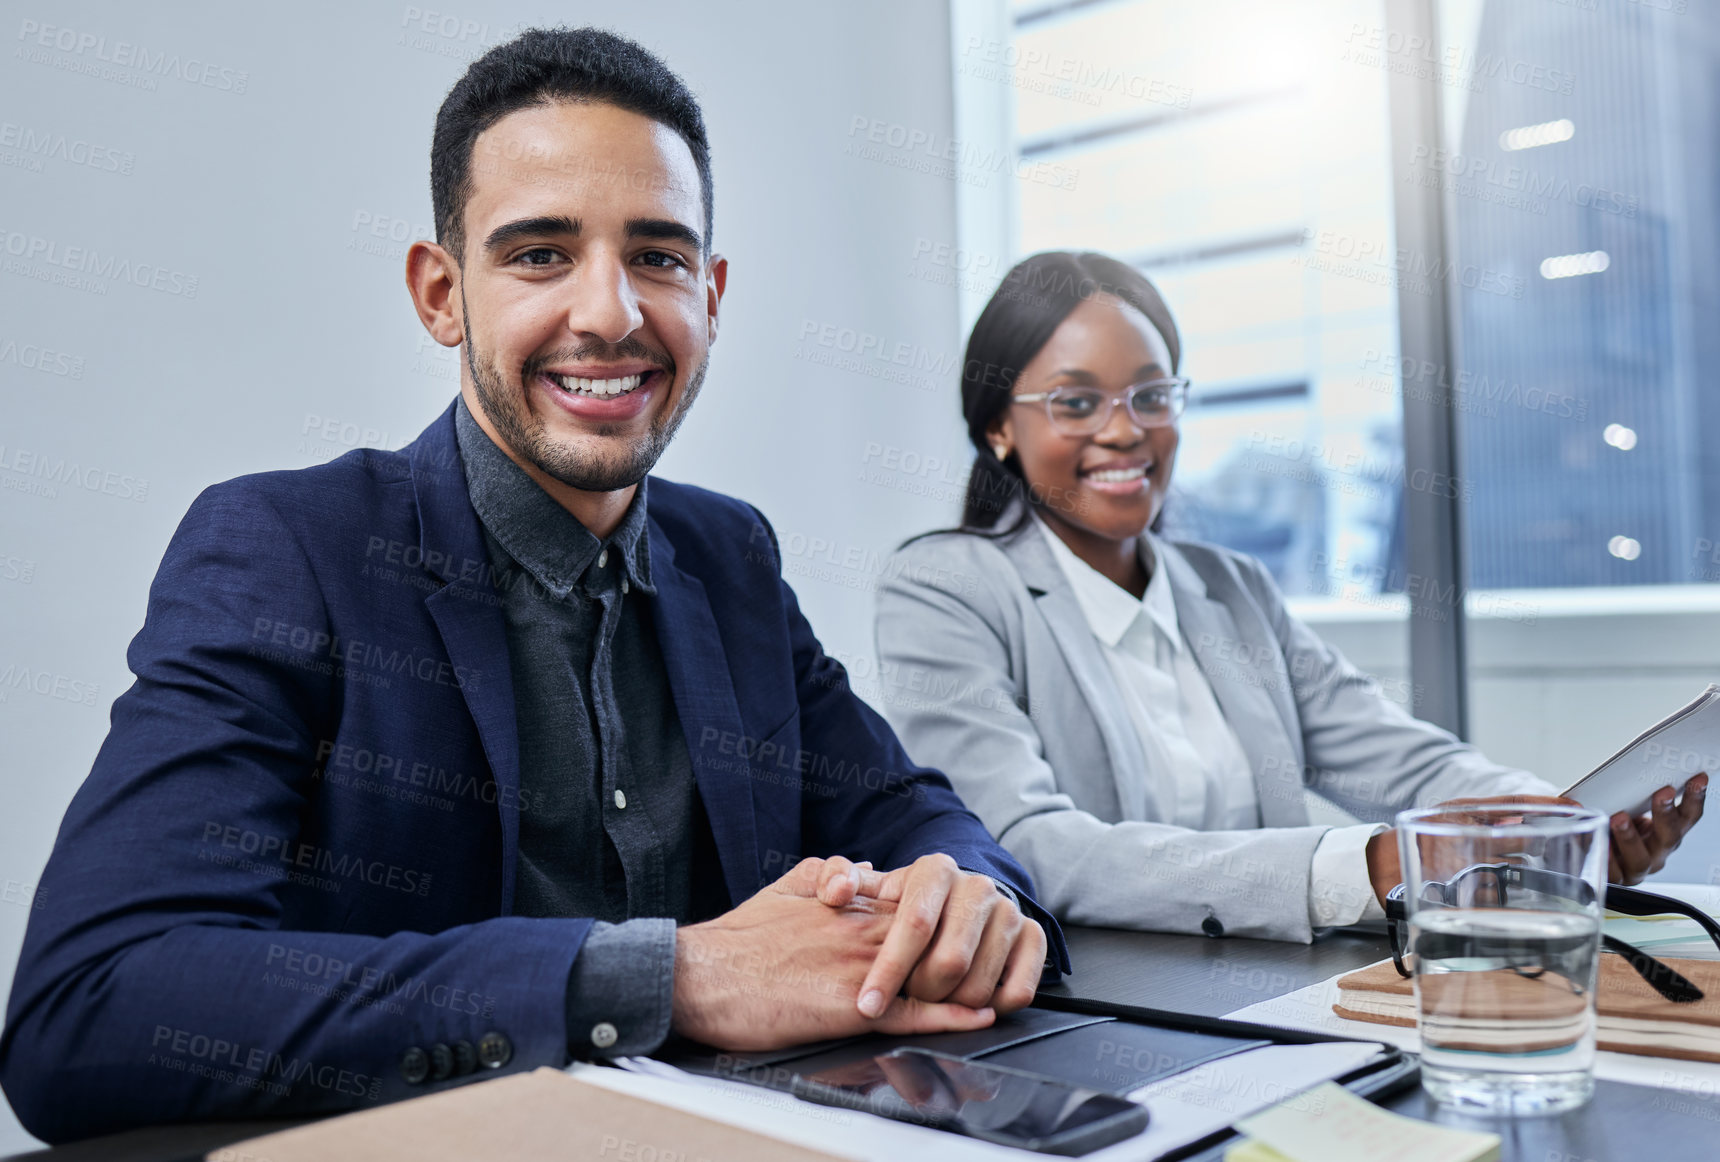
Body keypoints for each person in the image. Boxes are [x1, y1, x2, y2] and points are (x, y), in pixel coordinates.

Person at [0, 29, 1062, 1145]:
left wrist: (969, 891)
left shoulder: (729, 556)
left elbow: (905, 809)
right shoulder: (283, 546)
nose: (609, 313)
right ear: (440, 294)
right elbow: (92, 1006)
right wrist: (676, 975)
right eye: (541, 254)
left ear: (712, 293)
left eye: (657, 257)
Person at [873, 250, 1705, 945]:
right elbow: (1024, 846)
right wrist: (1372, 865)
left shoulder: (1229, 589)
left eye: (1152, 395)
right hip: (1096, 1010)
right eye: (1076, 402)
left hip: (1285, 990)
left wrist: (1550, 824)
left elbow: (1405, 762)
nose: (1125, 430)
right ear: (999, 429)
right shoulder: (946, 588)